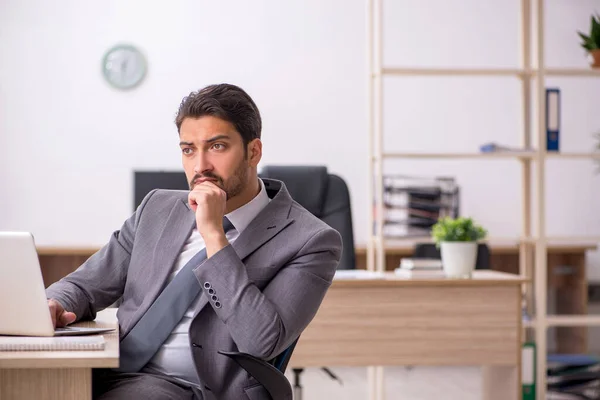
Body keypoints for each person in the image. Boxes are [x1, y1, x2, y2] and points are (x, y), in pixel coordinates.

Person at [45, 83, 343, 400]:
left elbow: (261, 341)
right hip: (110, 372)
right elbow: (86, 284)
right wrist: (54, 304)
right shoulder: (156, 207)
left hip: (202, 390)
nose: (200, 166)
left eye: (216, 147)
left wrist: (214, 236)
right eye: (188, 150)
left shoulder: (311, 240)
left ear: (253, 151)